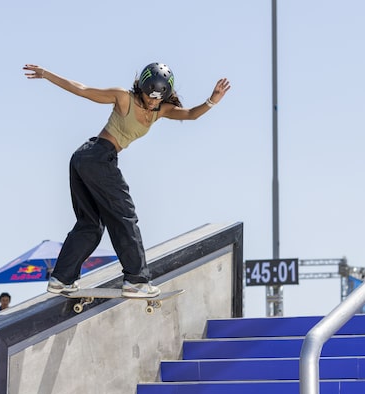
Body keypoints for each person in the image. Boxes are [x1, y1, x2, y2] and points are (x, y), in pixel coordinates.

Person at [24, 62, 230, 298]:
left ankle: (61, 278)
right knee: (125, 217)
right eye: (149, 96)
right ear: (141, 88)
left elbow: (191, 114)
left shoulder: (161, 110)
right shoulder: (124, 98)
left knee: (90, 224)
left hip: (89, 160)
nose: (152, 102)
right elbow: (82, 90)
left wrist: (212, 100)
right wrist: (46, 74)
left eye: (157, 98)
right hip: (97, 156)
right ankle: (136, 280)